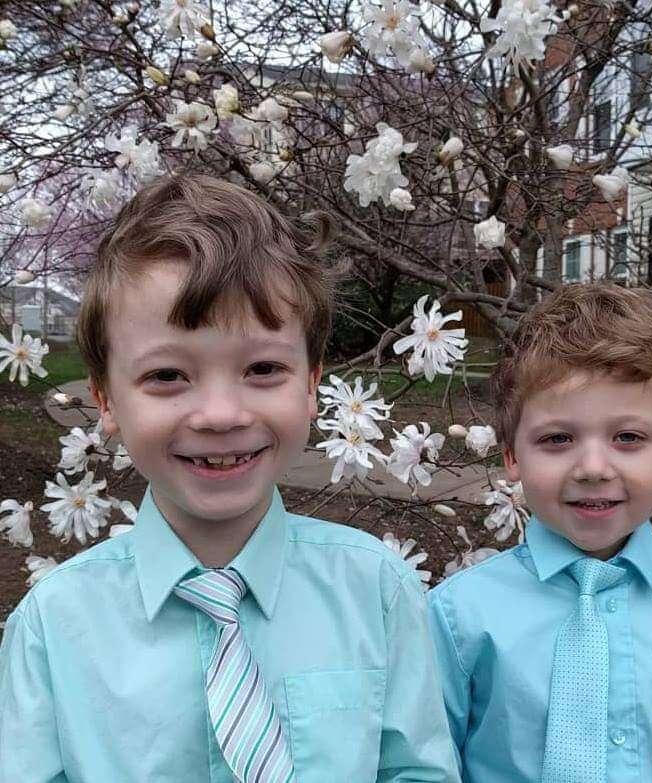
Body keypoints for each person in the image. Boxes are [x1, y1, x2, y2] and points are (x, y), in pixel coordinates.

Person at [0, 175, 460, 783]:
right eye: (167, 376)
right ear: (105, 400)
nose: (221, 415)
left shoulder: (377, 591)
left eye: (263, 368)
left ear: (311, 384)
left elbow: (417, 770)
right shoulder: (52, 627)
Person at [427, 282, 652, 782]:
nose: (593, 468)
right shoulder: (455, 617)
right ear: (511, 456)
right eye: (558, 439)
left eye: (628, 437)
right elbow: (422, 763)